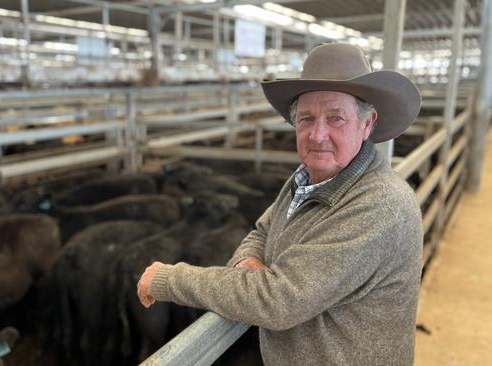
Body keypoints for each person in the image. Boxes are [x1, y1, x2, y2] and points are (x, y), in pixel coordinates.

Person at [136, 42, 423, 365]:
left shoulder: (380, 205)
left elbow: (278, 300)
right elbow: (261, 232)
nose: (317, 135)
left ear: (367, 124)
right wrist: (249, 265)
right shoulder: (307, 177)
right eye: (306, 119)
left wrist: (169, 279)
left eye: (335, 118)